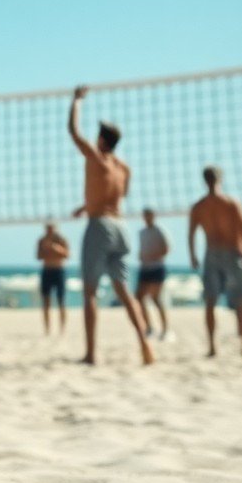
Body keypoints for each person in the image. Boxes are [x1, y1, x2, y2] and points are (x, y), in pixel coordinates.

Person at [67, 86, 154, 365]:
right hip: (121, 228)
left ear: (103, 141)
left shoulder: (98, 158)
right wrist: (87, 205)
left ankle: (92, 353)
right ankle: (145, 345)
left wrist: (76, 101)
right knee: (124, 291)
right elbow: (115, 196)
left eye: (98, 136)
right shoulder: (123, 168)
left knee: (90, 292)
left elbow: (73, 131)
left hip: (100, 227)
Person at [188, 166, 242, 358]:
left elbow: (191, 234)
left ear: (205, 180)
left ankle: (212, 347)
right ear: (220, 179)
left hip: (211, 253)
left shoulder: (198, 206)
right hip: (233, 253)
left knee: (210, 300)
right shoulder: (231, 203)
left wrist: (193, 256)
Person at [136, 208, 172, 342]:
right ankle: (149, 327)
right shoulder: (141, 232)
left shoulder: (160, 230)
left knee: (156, 299)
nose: (147, 218)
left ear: (153, 216)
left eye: (149, 215)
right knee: (139, 297)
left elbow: (166, 249)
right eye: (145, 215)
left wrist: (153, 256)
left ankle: (165, 329)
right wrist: (141, 256)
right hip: (144, 268)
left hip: (157, 267)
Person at [36, 220, 70, 336]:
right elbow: (38, 256)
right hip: (47, 271)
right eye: (48, 228)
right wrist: (46, 249)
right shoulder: (42, 240)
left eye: (52, 228)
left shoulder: (61, 240)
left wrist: (56, 248)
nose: (50, 230)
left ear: (55, 228)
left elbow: (67, 255)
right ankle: (47, 329)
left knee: (61, 301)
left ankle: (62, 329)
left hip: (59, 270)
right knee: (46, 302)